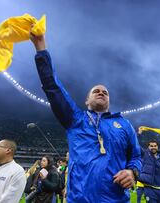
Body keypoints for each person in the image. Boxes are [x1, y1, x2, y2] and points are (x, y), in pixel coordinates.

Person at [30, 32, 141, 203]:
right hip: (79, 199)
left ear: (109, 101)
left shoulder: (124, 124)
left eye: (105, 92)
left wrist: (132, 172)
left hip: (116, 199)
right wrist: (40, 48)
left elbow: (135, 155)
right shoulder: (75, 119)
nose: (101, 92)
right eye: (96, 91)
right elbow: (52, 87)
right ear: (87, 100)